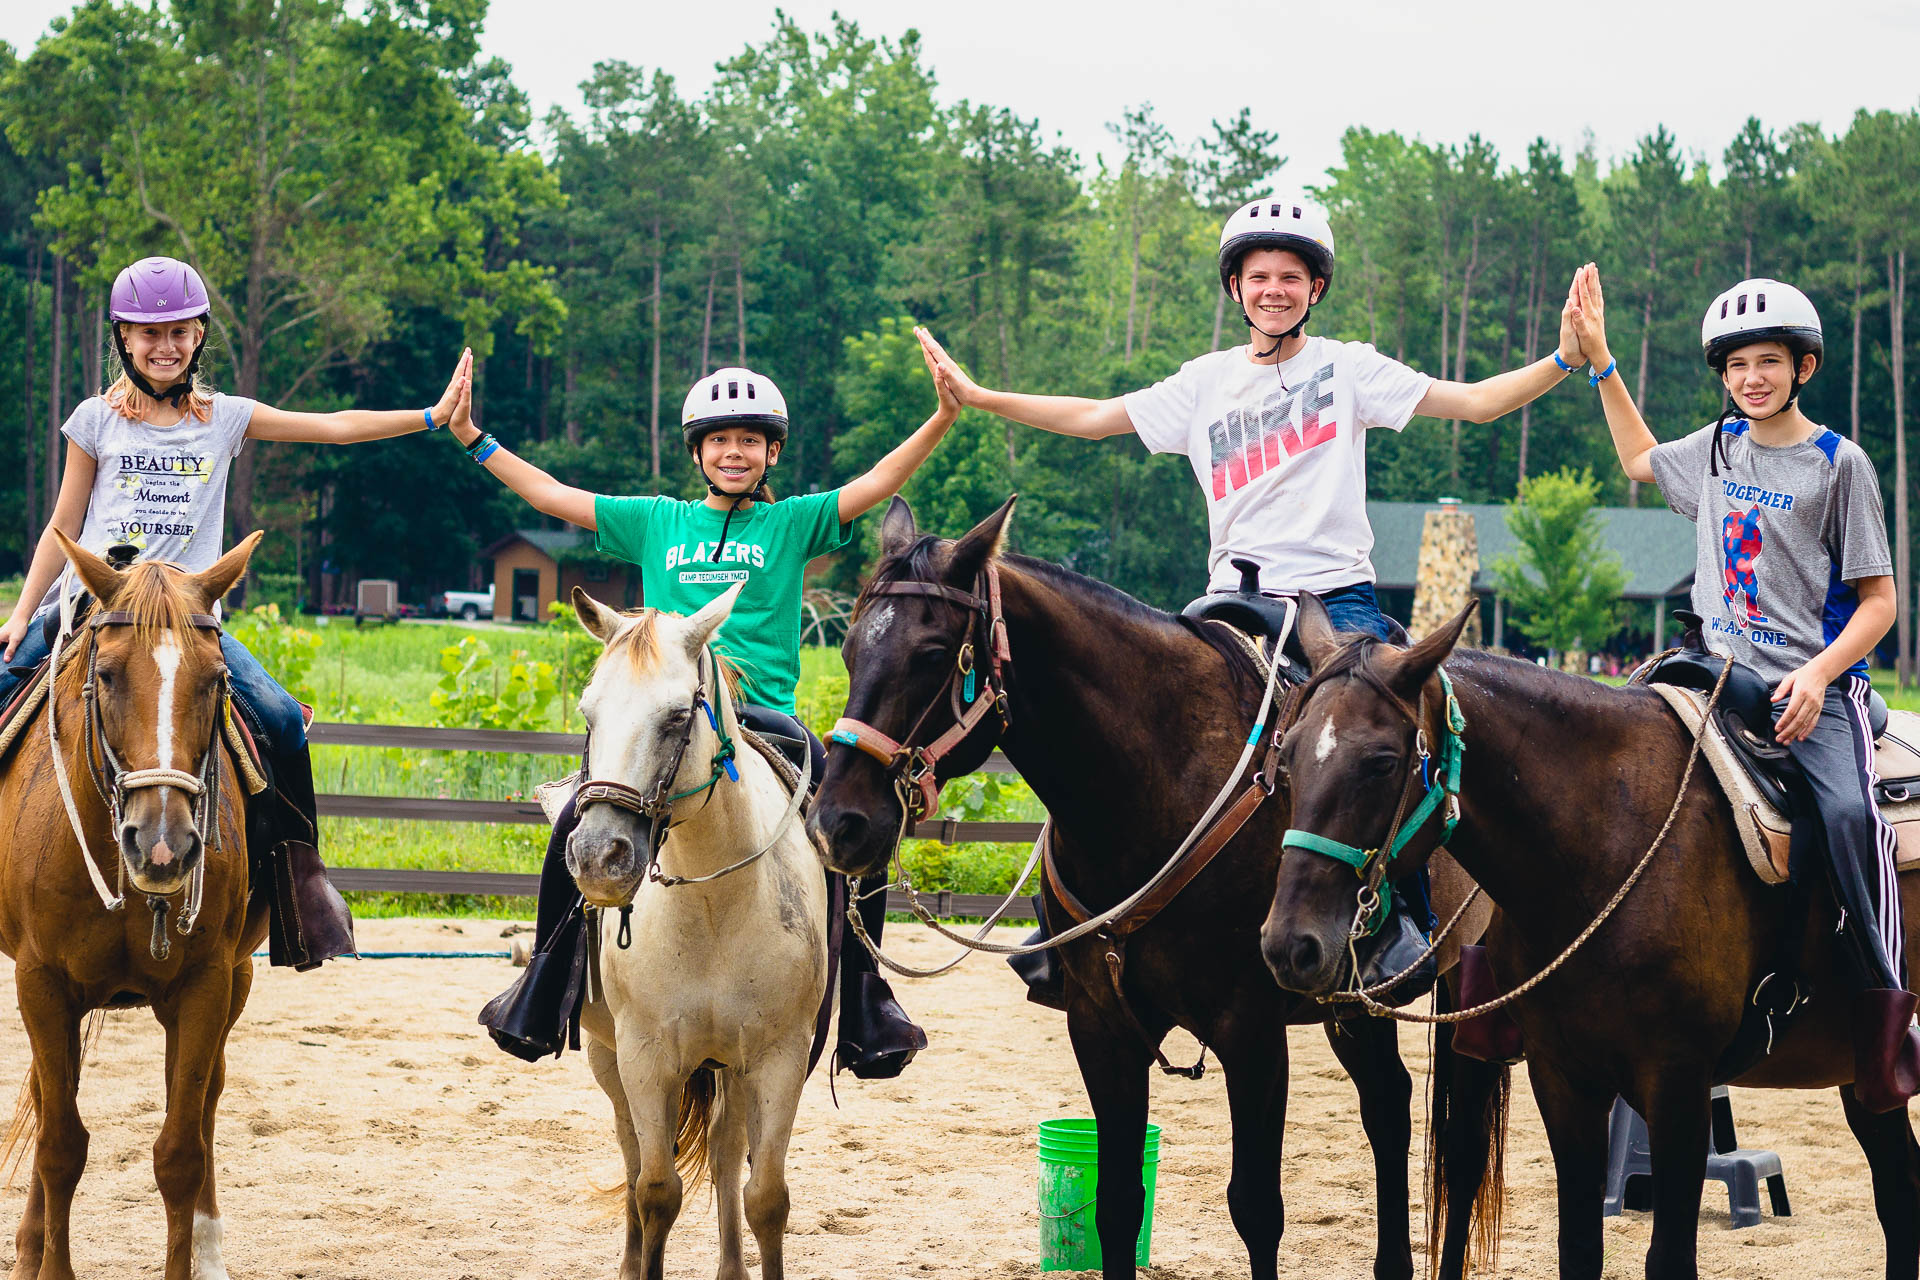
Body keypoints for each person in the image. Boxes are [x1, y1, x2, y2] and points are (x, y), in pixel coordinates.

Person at [915, 194, 1591, 1002]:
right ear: (1236, 287)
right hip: (1226, 601)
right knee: (1119, 723)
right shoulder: (1205, 383)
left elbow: (1474, 403)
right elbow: (1095, 418)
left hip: (1333, 608)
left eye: (1292, 277)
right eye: (1260, 275)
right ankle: (1072, 918)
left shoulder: (1347, 370)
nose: (1275, 289)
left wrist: (1562, 360)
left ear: (1316, 288)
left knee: (1378, 739)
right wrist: (982, 398)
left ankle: (1396, 925)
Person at [464, 357, 959, 1076]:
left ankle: (865, 998)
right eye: (721, 440)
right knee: (578, 813)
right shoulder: (655, 520)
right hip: (668, 713)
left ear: (772, 453)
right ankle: (543, 981)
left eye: (751, 441)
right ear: (698, 451)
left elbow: (876, 485)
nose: (735, 452)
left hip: (765, 721)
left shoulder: (793, 523)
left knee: (857, 820)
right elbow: (550, 494)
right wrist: (475, 438)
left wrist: (941, 418)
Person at [0, 254, 470, 969]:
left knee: (280, 720)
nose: (164, 347)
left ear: (199, 338)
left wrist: (432, 416)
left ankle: (302, 887)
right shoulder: (94, 421)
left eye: (180, 333)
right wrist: (19, 611)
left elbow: (335, 426)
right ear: (122, 339)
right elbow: (62, 521)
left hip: (187, 619)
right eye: (148, 334)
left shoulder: (226, 420)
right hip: (97, 610)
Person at [1572, 262, 1918, 1112]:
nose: (1750, 380)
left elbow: (1881, 603)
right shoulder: (1718, 446)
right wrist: (1603, 361)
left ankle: (1882, 1006)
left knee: (1843, 813)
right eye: (1735, 367)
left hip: (1810, 685)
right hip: (1705, 665)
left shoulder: (1842, 466)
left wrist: (1819, 674)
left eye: (1767, 362)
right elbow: (1636, 458)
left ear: (1803, 366)